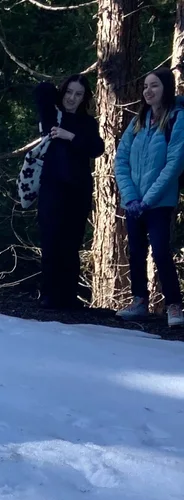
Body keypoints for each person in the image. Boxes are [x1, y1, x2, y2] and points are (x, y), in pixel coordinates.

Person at [114, 67, 184, 328]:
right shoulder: (138, 121)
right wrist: (131, 197)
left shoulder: (177, 119)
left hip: (159, 202)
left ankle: (174, 305)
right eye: (145, 86)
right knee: (135, 251)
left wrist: (149, 199)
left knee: (161, 251)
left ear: (166, 88)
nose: (148, 91)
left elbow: (174, 164)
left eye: (154, 86)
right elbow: (120, 160)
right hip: (134, 203)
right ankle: (139, 300)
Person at [32, 75, 105, 309]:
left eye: (78, 94)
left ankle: (68, 296)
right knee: (50, 239)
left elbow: (97, 148)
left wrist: (69, 136)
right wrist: (59, 96)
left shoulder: (87, 123)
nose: (72, 98)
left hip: (77, 190)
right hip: (52, 187)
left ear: (85, 98)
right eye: (69, 92)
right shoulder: (53, 116)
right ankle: (49, 294)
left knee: (71, 243)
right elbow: (42, 90)